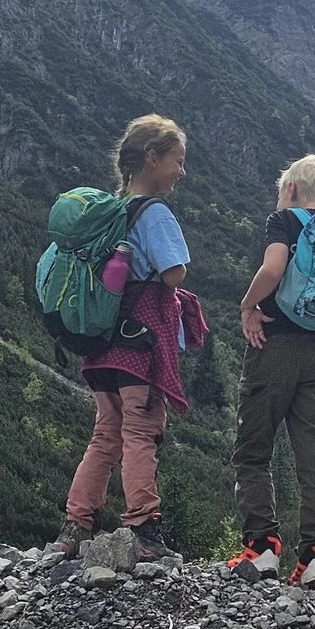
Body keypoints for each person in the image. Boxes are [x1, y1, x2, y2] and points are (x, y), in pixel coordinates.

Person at [51, 115, 206, 563]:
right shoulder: (153, 213)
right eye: (177, 161)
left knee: (106, 435)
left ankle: (75, 526)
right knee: (142, 433)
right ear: (152, 159)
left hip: (99, 344)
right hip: (138, 344)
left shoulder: (110, 212)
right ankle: (144, 527)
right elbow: (174, 272)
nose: (182, 171)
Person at [224, 155, 315, 588]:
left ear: (292, 190)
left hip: (275, 346)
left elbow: (273, 269)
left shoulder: (284, 221)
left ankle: (262, 548)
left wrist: (248, 306)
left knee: (253, 449)